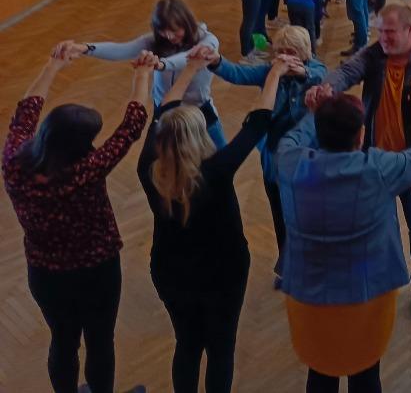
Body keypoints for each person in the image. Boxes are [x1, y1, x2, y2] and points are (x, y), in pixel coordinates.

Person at [276, 74, 411, 391]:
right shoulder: (376, 169)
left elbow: (290, 140)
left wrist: (313, 115)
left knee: (319, 373)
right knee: (366, 375)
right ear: (362, 134)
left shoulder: (291, 163)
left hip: (309, 295)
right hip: (367, 295)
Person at [290, 4, 411, 320]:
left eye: (390, 32)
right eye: (381, 32)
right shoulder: (375, 54)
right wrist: (328, 86)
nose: (384, 38)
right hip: (375, 163)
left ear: (410, 30)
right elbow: (347, 71)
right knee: (378, 224)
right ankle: (380, 281)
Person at [3, 46, 153, 393]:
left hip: (45, 273)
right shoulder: (86, 171)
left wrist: (53, 65)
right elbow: (131, 126)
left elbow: (26, 111)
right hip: (96, 270)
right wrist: (142, 74)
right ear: (79, 146)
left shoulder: (14, 161)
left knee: (62, 340)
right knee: (100, 341)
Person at [137, 54, 289, 393]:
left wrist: (189, 70)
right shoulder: (216, 171)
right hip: (223, 275)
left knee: (187, 345)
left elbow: (163, 109)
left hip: (171, 273)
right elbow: (259, 122)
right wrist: (275, 73)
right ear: (198, 139)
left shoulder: (149, 169)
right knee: (221, 350)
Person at [198, 26, 324, 288]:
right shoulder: (270, 72)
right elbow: (238, 73)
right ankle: (288, 268)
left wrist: (304, 73)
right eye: (281, 52)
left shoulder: (315, 70)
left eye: (292, 52)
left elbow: (324, 78)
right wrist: (216, 61)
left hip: (306, 162)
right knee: (280, 216)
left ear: (304, 53)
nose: (285, 57)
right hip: (274, 161)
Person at [55, 0, 228, 149]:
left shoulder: (208, 40)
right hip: (165, 114)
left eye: (175, 30)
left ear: (187, 23)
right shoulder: (155, 41)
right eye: (163, 31)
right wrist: (84, 48)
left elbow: (189, 58)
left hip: (199, 111)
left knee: (221, 157)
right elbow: (121, 50)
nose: (169, 36)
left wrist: (161, 64)